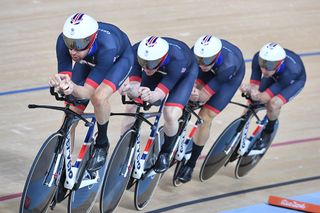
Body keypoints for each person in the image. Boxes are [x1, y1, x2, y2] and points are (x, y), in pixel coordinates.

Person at [48, 13, 134, 172]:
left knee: (98, 98)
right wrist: (60, 84)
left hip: (119, 59)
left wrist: (73, 88)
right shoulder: (63, 42)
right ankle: (62, 167)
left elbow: (86, 92)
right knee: (70, 113)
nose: (73, 51)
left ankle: (102, 143)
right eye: (70, 43)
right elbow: (66, 80)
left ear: (91, 39)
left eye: (79, 44)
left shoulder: (108, 47)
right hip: (88, 58)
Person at [119, 35, 198, 173]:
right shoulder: (136, 52)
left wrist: (150, 95)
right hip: (159, 71)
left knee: (170, 114)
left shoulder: (178, 59)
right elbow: (134, 86)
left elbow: (158, 95)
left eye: (151, 63)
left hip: (183, 76)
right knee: (131, 106)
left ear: (162, 58)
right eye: (144, 63)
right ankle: (122, 149)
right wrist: (129, 89)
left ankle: (165, 153)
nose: (147, 67)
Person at [177, 35, 245, 183]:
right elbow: (191, 74)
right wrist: (191, 88)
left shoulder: (229, 65)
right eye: (199, 60)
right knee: (184, 98)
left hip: (228, 79)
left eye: (206, 60)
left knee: (204, 117)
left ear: (216, 56)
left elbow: (203, 96)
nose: (201, 64)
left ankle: (191, 164)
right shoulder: (198, 55)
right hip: (210, 70)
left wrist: (196, 94)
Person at [240, 42, 306, 150]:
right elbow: (254, 86)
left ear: (279, 63)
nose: (264, 70)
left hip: (293, 81)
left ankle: (268, 131)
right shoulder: (258, 58)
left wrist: (253, 93)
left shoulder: (291, 72)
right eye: (263, 65)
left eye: (269, 66)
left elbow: (263, 97)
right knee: (252, 100)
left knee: (273, 104)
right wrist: (249, 89)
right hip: (274, 74)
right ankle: (240, 126)